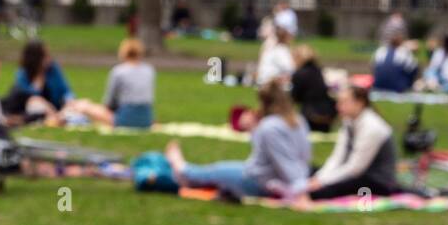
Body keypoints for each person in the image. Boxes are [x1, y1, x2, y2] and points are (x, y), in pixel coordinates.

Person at [165, 81, 311, 197]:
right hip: (276, 176)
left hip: (259, 181)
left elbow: (282, 160)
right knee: (221, 170)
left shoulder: (269, 127)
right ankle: (188, 173)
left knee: (216, 171)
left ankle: (183, 169)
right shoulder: (298, 120)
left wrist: (299, 188)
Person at [303, 85, 399, 199]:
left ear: (359, 103)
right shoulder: (349, 122)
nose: (338, 107)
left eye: (344, 102)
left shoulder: (373, 127)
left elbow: (356, 168)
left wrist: (323, 182)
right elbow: (337, 157)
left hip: (375, 181)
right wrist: (319, 178)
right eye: (338, 102)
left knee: (320, 192)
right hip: (354, 173)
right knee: (306, 171)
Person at [2, 39, 112, 126]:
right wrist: (39, 76)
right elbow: (27, 97)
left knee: (83, 104)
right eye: (45, 55)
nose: (49, 58)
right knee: (36, 101)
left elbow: (65, 90)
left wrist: (69, 99)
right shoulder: (23, 74)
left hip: (58, 109)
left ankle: (109, 121)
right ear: (36, 58)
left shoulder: (53, 69)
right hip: (38, 112)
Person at [104, 38, 155, 128]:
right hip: (147, 117)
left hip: (125, 117)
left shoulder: (118, 71)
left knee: (85, 106)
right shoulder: (149, 70)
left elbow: (110, 100)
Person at [289, 44, 336, 132]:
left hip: (310, 115)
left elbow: (294, 98)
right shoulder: (318, 71)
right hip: (328, 112)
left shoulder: (299, 74)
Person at [371, 20, 418, 92]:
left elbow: (373, 67)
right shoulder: (404, 52)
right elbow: (413, 69)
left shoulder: (380, 50)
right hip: (398, 86)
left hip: (378, 85)